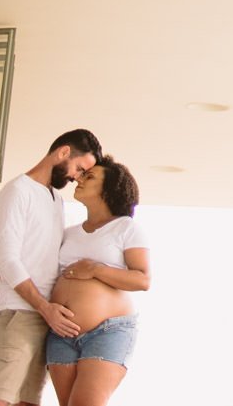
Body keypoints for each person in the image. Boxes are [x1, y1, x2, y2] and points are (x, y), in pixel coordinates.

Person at [0, 128, 103, 406]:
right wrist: (44, 308)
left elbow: (37, 252)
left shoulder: (55, 200)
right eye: (79, 168)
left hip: (44, 318)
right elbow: (8, 257)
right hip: (20, 314)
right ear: (63, 152)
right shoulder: (17, 191)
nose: (76, 178)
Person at [45, 155, 150, 406]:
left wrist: (95, 269)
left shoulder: (126, 228)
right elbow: (41, 269)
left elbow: (142, 279)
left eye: (90, 177)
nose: (79, 179)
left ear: (110, 188)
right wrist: (3, 282)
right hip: (61, 332)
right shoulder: (68, 233)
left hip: (108, 331)